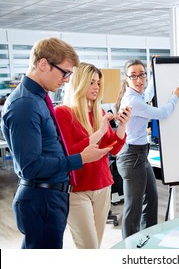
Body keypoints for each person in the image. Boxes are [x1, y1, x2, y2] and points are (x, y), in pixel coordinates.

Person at [0, 37, 111, 249]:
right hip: (41, 197)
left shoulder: (39, 98)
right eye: (65, 72)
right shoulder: (25, 105)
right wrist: (80, 159)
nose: (67, 80)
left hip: (52, 195)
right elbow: (31, 167)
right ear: (43, 64)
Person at [54, 62, 131, 248]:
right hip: (77, 190)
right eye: (91, 82)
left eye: (98, 83)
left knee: (95, 246)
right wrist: (99, 131)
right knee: (88, 247)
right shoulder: (62, 113)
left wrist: (122, 125)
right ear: (79, 83)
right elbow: (70, 152)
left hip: (103, 186)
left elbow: (113, 148)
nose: (96, 87)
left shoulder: (99, 111)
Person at [115, 59, 179, 238]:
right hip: (131, 156)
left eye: (142, 75)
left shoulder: (137, 96)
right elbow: (162, 113)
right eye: (134, 76)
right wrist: (175, 97)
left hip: (140, 154)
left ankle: (147, 241)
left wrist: (152, 75)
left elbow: (148, 94)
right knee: (133, 207)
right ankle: (130, 248)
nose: (139, 80)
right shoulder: (132, 101)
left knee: (151, 199)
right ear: (127, 78)